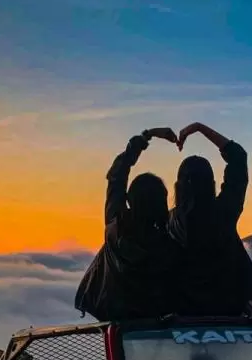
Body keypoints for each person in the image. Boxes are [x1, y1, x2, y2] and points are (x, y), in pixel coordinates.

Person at [75, 128, 181, 321]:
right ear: (162, 205)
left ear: (130, 199)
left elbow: (116, 176)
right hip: (155, 328)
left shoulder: (115, 225)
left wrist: (145, 136)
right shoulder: (169, 246)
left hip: (115, 323)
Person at [168, 122, 252, 317]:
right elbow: (238, 158)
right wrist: (199, 128)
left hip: (182, 316)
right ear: (211, 184)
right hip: (229, 312)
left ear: (178, 187)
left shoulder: (168, 222)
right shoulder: (224, 213)